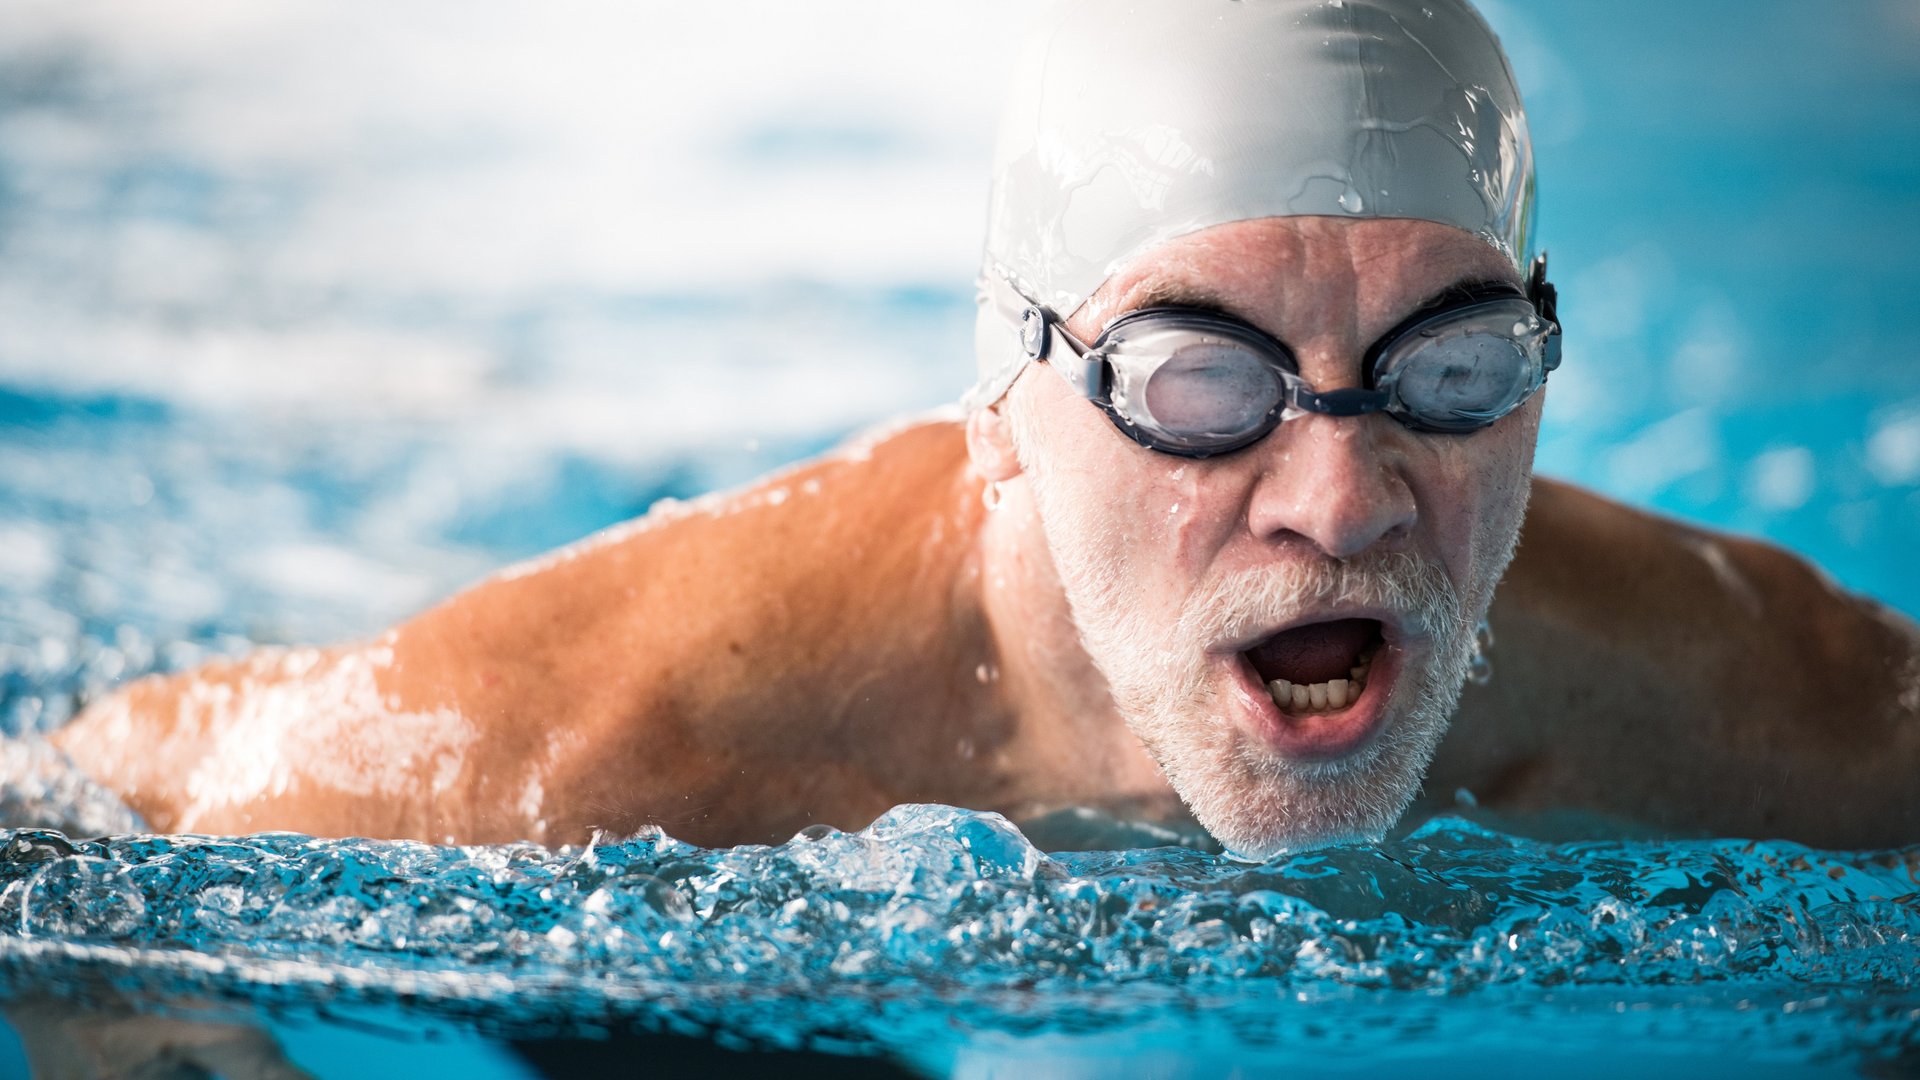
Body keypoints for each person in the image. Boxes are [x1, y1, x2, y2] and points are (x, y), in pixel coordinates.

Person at [48, 0, 1920, 858]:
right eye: (1201, 378)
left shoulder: (1768, 711)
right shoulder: (618, 734)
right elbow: (88, 796)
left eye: (1452, 371)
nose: (1345, 498)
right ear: (1010, 403)